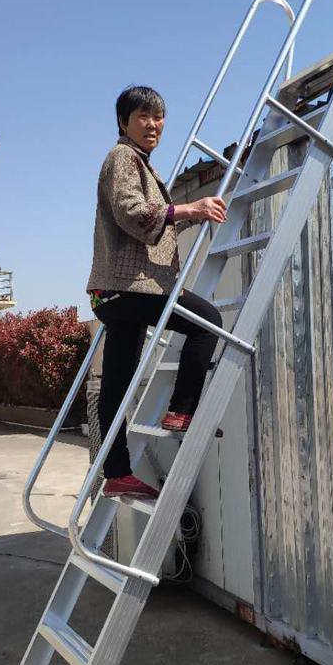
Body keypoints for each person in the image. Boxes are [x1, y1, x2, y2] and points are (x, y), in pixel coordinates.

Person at [87, 85, 227, 500]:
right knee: (208, 323)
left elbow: (149, 229)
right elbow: (132, 212)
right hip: (131, 287)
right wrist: (189, 208)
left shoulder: (140, 163)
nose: (153, 125)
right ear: (123, 122)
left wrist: (188, 218)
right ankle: (182, 411)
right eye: (143, 117)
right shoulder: (123, 158)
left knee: (116, 384)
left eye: (159, 117)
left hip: (112, 292)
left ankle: (116, 473)